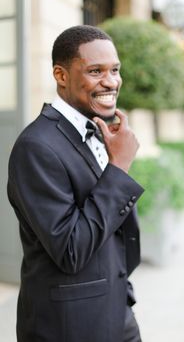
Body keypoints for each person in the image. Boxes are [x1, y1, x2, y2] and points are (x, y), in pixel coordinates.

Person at [7, 25, 144, 342]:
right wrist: (120, 166)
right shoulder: (36, 147)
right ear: (61, 75)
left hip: (117, 312)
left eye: (115, 70)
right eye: (96, 71)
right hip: (68, 326)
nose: (110, 81)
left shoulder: (99, 129)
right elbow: (70, 249)